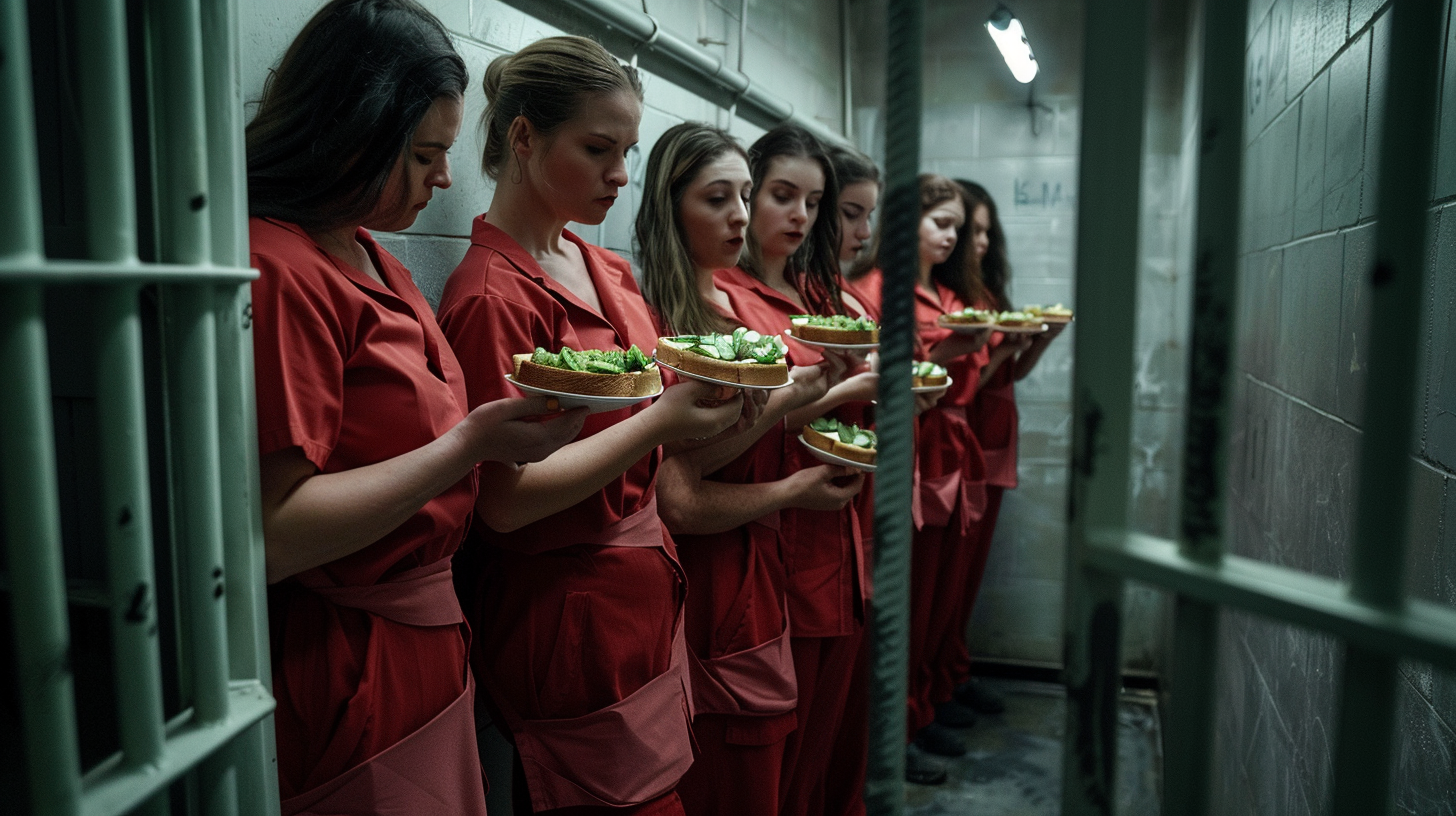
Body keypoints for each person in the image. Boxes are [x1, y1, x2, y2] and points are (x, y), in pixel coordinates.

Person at [246, 2, 585, 812]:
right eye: (427, 154)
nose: (443, 178)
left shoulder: (372, 254)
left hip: (428, 629)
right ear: (352, 131)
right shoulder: (278, 265)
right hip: (349, 650)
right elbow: (276, 532)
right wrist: (471, 444)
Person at [435, 37, 744, 816]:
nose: (620, 175)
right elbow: (504, 503)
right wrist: (661, 422)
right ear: (524, 137)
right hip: (568, 612)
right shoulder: (491, 297)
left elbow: (658, 425)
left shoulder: (604, 267)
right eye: (598, 149)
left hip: (643, 590)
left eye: (628, 151)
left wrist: (742, 399)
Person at [637, 121, 860, 816]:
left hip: (763, 561)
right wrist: (797, 467)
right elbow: (679, 489)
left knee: (790, 764)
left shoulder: (737, 309)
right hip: (717, 574)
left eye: (743, 195)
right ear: (671, 208)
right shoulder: (669, 320)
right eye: (720, 199)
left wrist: (814, 388)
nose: (739, 215)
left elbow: (751, 426)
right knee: (745, 775)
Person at [713, 124, 876, 816]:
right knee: (781, 765)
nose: (799, 216)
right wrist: (846, 385)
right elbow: (731, 428)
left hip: (838, 538)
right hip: (776, 545)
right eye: (781, 196)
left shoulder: (817, 292)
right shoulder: (725, 296)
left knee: (829, 749)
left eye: (812, 202)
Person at [846, 174, 995, 783]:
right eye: (943, 222)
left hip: (948, 444)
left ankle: (922, 705)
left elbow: (971, 383)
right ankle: (896, 725)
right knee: (901, 602)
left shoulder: (950, 294)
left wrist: (984, 349)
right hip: (910, 447)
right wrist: (943, 354)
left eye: (959, 226)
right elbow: (894, 386)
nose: (954, 236)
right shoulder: (879, 291)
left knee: (937, 595)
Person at [941, 180, 1068, 719]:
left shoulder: (984, 296)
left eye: (987, 232)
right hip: (957, 443)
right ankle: (930, 693)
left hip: (991, 437)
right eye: (975, 231)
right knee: (942, 585)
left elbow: (1005, 372)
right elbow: (961, 382)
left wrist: (1037, 341)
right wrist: (995, 351)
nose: (982, 243)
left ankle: (950, 673)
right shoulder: (950, 303)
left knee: (963, 582)